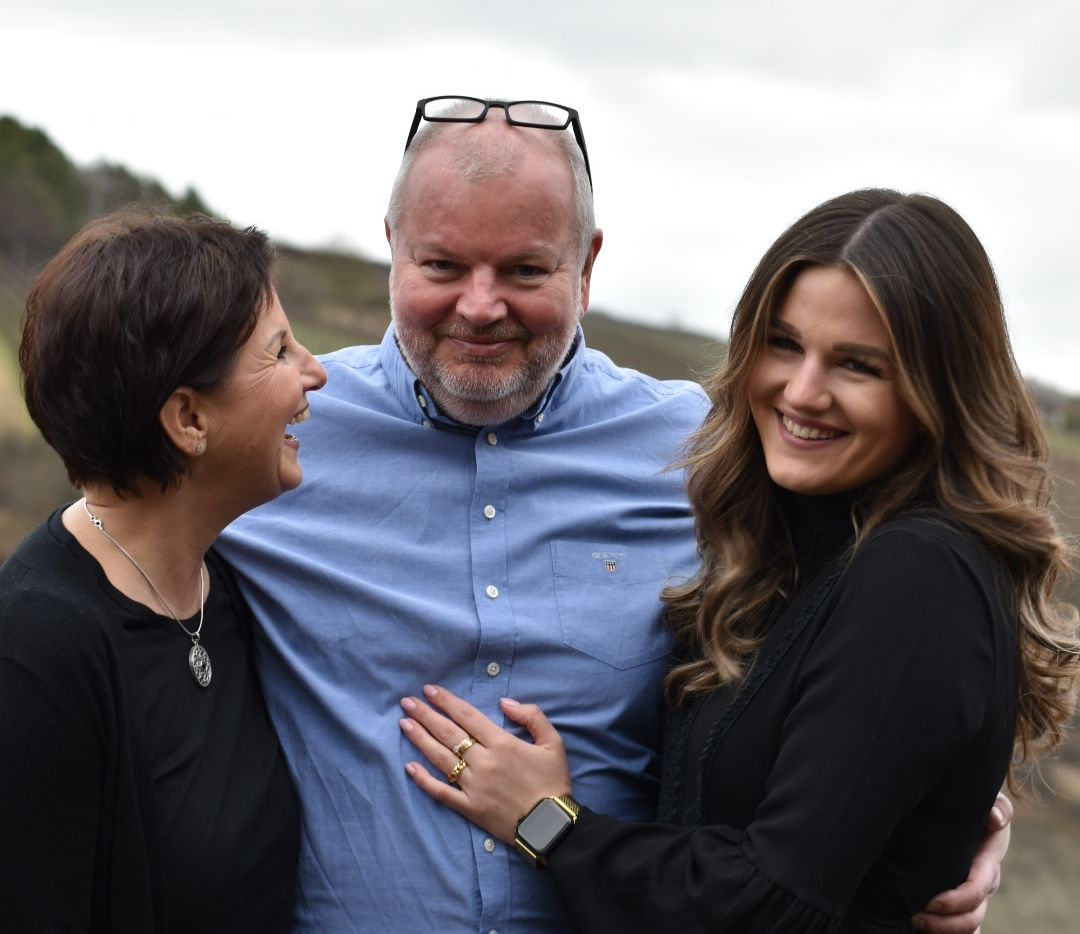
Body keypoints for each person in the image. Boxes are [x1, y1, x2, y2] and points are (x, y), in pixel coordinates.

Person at [218, 99, 1010, 932]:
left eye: (525, 271)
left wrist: (945, 814)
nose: (481, 305)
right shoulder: (279, 432)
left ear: (587, 265)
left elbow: (872, 656)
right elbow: (112, 573)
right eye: (443, 265)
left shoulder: (711, 454)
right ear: (391, 247)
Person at [398, 188, 1080, 932]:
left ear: (937, 391)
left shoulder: (918, 572)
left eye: (857, 365)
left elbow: (773, 902)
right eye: (784, 345)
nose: (803, 391)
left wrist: (546, 824)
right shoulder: (790, 547)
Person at [0, 209, 326, 932]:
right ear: (189, 420)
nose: (317, 370)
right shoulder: (35, 652)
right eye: (279, 351)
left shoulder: (225, 587)